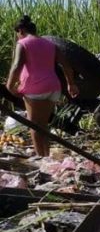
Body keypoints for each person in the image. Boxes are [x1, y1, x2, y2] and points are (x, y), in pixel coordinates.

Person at [5, 15, 78, 157]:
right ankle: (46, 156)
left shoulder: (23, 43)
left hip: (35, 88)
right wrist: (71, 84)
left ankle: (40, 158)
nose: (17, 37)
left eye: (17, 33)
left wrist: (9, 86)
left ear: (21, 30)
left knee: (34, 125)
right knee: (43, 125)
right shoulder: (50, 44)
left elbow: (17, 65)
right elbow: (66, 66)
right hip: (53, 88)